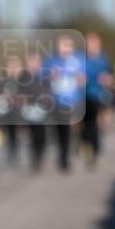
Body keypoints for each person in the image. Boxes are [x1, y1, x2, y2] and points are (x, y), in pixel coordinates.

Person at [42, 35, 86, 171]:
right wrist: (50, 76)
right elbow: (42, 78)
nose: (64, 49)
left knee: (68, 129)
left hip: (73, 100)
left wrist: (79, 78)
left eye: (67, 45)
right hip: (56, 101)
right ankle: (62, 155)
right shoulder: (50, 60)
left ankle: (65, 159)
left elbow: (83, 79)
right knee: (58, 130)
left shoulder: (78, 60)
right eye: (61, 45)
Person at [82, 32, 113, 167]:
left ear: (98, 44)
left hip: (97, 96)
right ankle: (86, 143)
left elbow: (111, 77)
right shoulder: (80, 59)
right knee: (84, 124)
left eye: (93, 44)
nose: (90, 47)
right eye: (88, 44)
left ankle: (95, 150)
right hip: (82, 96)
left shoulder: (103, 60)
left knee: (94, 125)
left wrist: (107, 80)